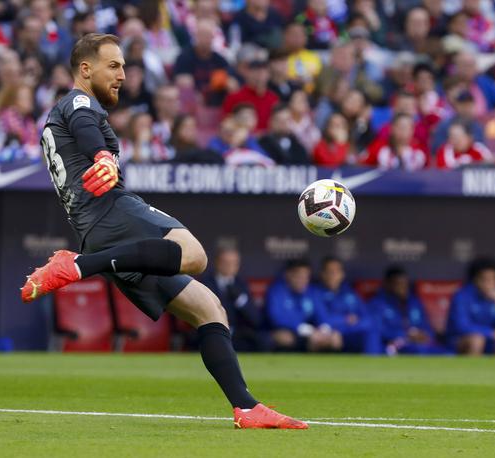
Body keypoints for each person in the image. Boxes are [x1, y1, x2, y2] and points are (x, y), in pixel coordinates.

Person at [21, 34, 306, 429]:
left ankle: (246, 407)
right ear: (85, 69)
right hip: (112, 212)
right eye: (114, 66)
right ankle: (80, 266)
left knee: (209, 309)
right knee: (196, 255)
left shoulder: (64, 113)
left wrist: (102, 156)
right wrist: (102, 154)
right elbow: (86, 127)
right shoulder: (78, 102)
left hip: (96, 229)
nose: (123, 74)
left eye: (123, 65)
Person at [266, 259, 342, 353]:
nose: (303, 281)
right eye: (299, 276)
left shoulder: (311, 292)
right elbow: (277, 318)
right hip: (288, 331)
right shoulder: (277, 291)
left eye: (306, 277)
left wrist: (323, 330)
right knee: (285, 338)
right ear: (288, 275)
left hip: (311, 334)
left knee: (335, 337)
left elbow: (322, 315)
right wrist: (304, 329)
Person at [202, 248, 269, 352]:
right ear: (217, 263)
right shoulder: (206, 283)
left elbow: (255, 319)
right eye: (225, 262)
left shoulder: (241, 284)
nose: (229, 266)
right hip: (213, 332)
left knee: (263, 340)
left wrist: (240, 300)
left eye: (234, 263)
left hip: (238, 335)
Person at [368, 265, 445, 355]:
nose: (402, 287)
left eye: (405, 284)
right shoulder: (377, 304)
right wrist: (405, 336)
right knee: (417, 351)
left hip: (419, 344)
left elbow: (427, 327)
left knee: (446, 354)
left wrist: (424, 335)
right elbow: (377, 330)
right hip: (394, 346)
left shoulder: (414, 302)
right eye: (398, 283)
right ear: (387, 284)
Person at [312, 257, 381, 354]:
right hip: (327, 334)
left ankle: (374, 364)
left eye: (337, 272)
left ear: (342, 274)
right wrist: (346, 319)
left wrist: (342, 329)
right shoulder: (315, 292)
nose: (333, 275)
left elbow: (366, 316)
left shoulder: (348, 292)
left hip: (346, 333)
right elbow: (323, 320)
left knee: (371, 327)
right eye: (330, 272)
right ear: (322, 274)